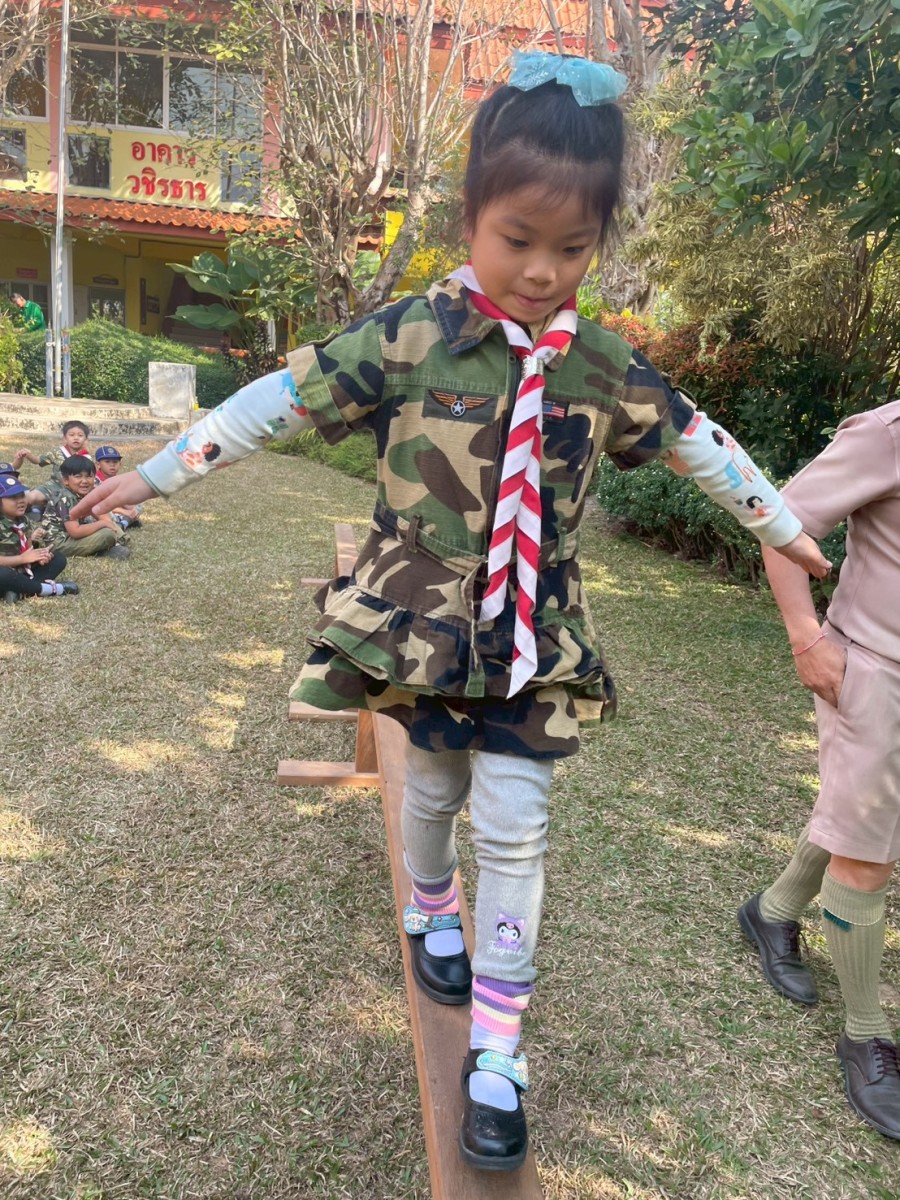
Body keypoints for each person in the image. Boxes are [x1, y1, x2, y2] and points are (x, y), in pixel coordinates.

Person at [74, 51, 829, 1172]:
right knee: (429, 793)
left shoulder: (601, 366)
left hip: (533, 637)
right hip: (421, 623)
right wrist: (155, 475)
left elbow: (699, 444)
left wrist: (783, 528)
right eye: (518, 238)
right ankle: (431, 901)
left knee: (518, 830)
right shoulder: (409, 336)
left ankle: (499, 1049)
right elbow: (275, 402)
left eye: (573, 248)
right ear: (469, 216)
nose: (542, 270)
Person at [738, 401, 900, 1142]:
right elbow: (779, 522)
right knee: (867, 857)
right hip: (875, 671)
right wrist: (807, 636)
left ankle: (771, 911)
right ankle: (866, 1036)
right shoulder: (887, 436)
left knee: (871, 823)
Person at [0, 473, 78, 602]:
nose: (21, 501)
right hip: (5, 572)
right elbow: (21, 557)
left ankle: (20, 592)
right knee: (3, 574)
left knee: (58, 558)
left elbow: (28, 549)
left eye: (22, 495)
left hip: (20, 571)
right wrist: (22, 559)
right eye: (13, 497)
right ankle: (50, 589)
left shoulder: (24, 520)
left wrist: (39, 557)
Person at [39, 456, 129, 560]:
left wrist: (112, 528)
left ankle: (116, 542)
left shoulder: (84, 494)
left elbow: (101, 514)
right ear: (66, 480)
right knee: (107, 534)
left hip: (71, 536)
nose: (84, 481)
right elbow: (75, 532)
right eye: (78, 477)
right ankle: (105, 548)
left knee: (110, 529)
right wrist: (103, 524)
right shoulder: (66, 497)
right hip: (58, 544)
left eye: (89, 476)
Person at [16, 420, 92, 497]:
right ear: (65, 438)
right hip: (53, 486)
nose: (76, 438)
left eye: (80, 435)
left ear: (86, 439)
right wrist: (29, 455)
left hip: (75, 490)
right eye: (71, 435)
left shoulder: (86, 458)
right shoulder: (57, 452)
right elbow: (38, 461)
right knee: (32, 497)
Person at [94, 446, 142, 530]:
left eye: (115, 462)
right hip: (102, 512)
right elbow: (99, 505)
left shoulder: (119, 481)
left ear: (120, 464)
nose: (112, 465)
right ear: (98, 464)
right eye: (107, 461)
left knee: (138, 505)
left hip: (116, 510)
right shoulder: (94, 481)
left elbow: (127, 501)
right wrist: (123, 511)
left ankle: (124, 522)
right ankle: (124, 523)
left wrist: (132, 510)